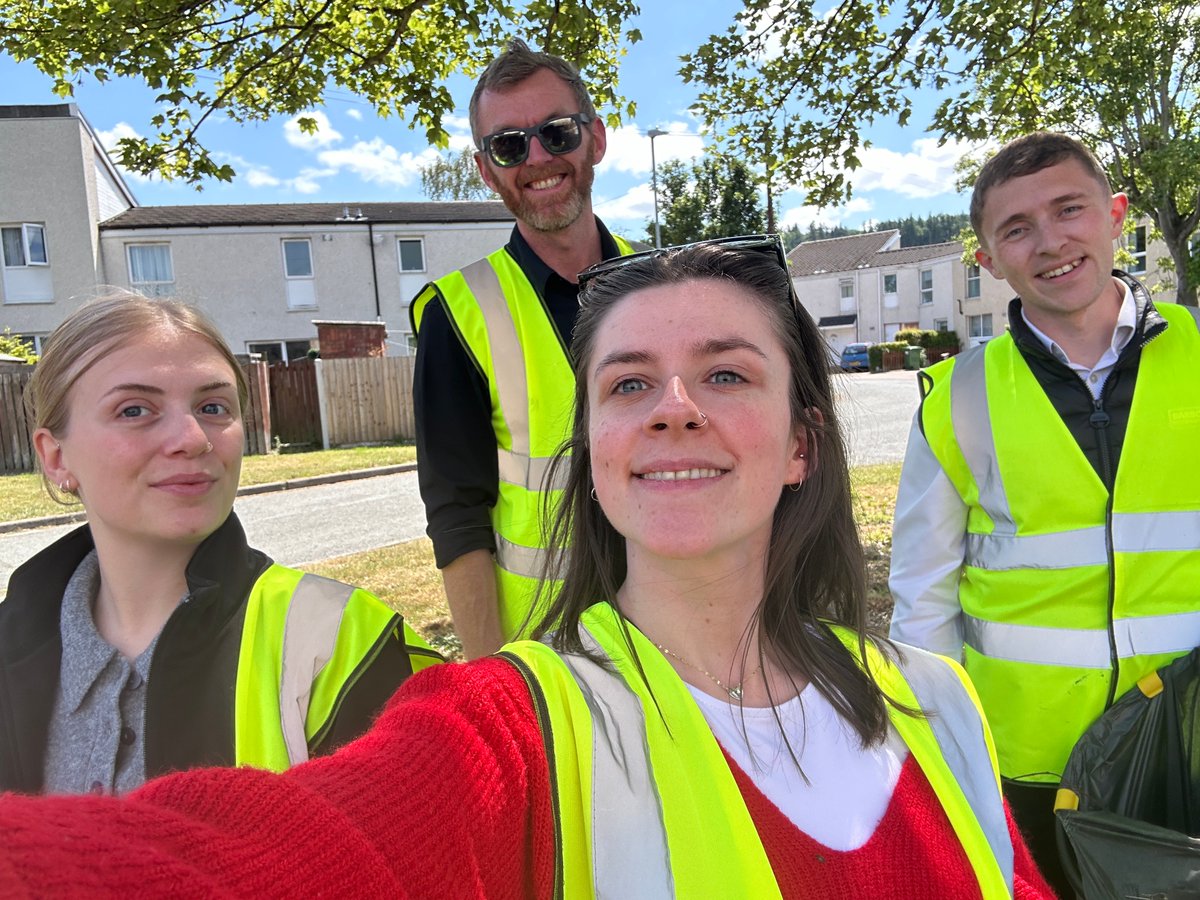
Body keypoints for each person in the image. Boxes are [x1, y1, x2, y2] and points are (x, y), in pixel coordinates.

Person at [0, 240, 1052, 898]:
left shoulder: (938, 702)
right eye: (629, 385)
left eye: (725, 372)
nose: (674, 405)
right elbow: (241, 859)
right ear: (595, 457)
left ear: (800, 445)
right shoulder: (506, 730)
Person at [889, 131, 1200, 892]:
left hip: (1192, 743)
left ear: (1117, 215)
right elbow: (922, 601)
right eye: (1017, 229)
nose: (1050, 242)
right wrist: (942, 750)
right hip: (1024, 761)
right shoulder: (956, 396)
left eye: (1070, 210)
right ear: (987, 260)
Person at [0, 292, 441, 795]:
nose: (193, 438)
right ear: (55, 456)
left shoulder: (346, 641)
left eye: (213, 407)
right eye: (134, 409)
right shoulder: (10, 647)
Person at [409, 38, 635, 659]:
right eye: (508, 144)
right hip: (546, 654)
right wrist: (489, 678)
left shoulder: (667, 287)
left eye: (557, 132)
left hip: (678, 631)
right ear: (486, 170)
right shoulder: (456, 314)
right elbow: (458, 517)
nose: (537, 157)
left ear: (596, 139)